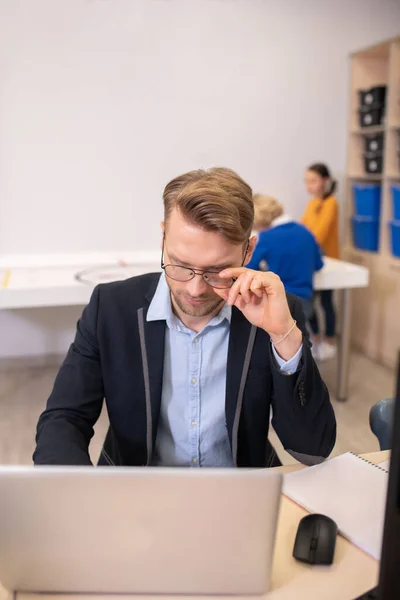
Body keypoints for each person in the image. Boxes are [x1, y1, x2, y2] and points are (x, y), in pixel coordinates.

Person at [34, 167, 336, 468]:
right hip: (136, 492)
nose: (195, 288)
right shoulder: (111, 307)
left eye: (216, 271)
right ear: (164, 236)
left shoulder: (277, 313)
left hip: (241, 493)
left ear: (248, 252)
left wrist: (284, 335)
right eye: (180, 265)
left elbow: (312, 448)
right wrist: (76, 493)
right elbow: (65, 418)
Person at [247, 194, 323, 322]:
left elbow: (249, 266)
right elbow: (318, 264)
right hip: (306, 303)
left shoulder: (266, 237)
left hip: (281, 302)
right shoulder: (306, 232)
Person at [301, 163, 339, 362]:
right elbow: (304, 230)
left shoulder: (330, 203)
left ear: (325, 181)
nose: (309, 185)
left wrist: (303, 239)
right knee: (310, 300)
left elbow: (318, 234)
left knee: (326, 302)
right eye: (306, 181)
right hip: (313, 260)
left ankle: (330, 341)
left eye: (313, 181)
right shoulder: (312, 203)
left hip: (329, 261)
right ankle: (315, 337)